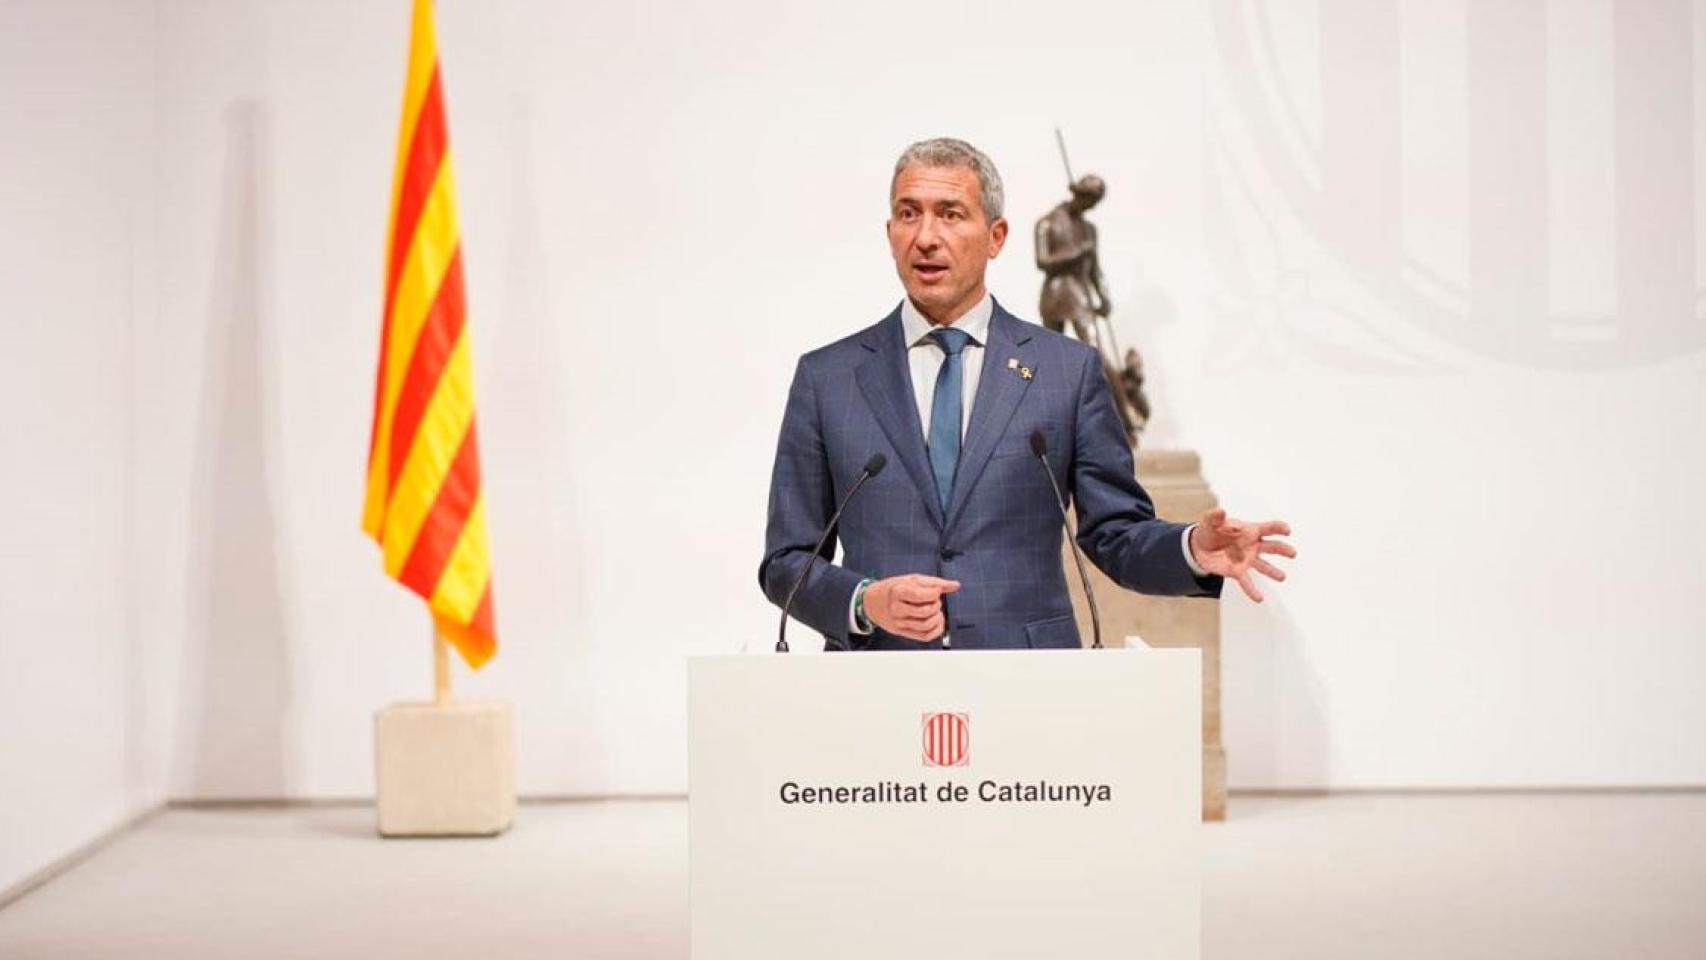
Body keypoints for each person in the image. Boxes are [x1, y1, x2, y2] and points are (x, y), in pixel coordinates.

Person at [758, 138, 1293, 651]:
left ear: (996, 236)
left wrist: (1191, 549)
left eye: (950, 213)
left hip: (1030, 687)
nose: (925, 236)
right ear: (889, 231)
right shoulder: (828, 378)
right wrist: (863, 601)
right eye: (908, 213)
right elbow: (786, 560)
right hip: (878, 680)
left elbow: (1115, 534)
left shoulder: (1067, 372)